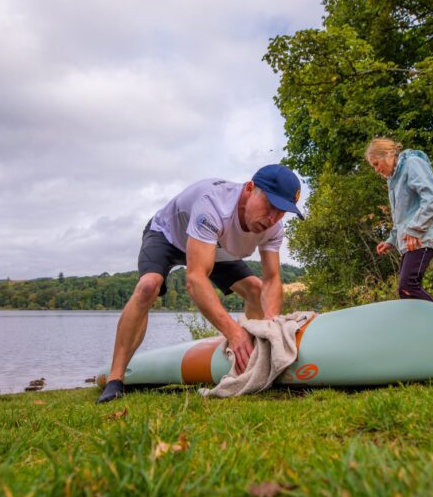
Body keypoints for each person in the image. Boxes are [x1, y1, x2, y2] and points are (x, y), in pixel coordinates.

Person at [97, 164, 304, 403]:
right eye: (270, 206)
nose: (272, 218)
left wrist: (270, 325)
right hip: (168, 237)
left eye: (281, 212)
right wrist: (234, 333)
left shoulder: (273, 228)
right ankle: (115, 379)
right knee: (148, 286)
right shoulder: (214, 205)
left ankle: (253, 360)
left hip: (214, 245)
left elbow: (272, 279)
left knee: (255, 289)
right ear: (249, 189)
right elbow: (196, 279)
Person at [365, 137, 433, 308]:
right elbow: (402, 218)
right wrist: (391, 240)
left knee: (408, 286)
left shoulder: (412, 163)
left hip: (423, 236)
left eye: (376, 163)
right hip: (411, 240)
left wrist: (415, 229)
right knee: (406, 292)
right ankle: (429, 331)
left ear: (388, 154)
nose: (376, 169)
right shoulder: (393, 180)